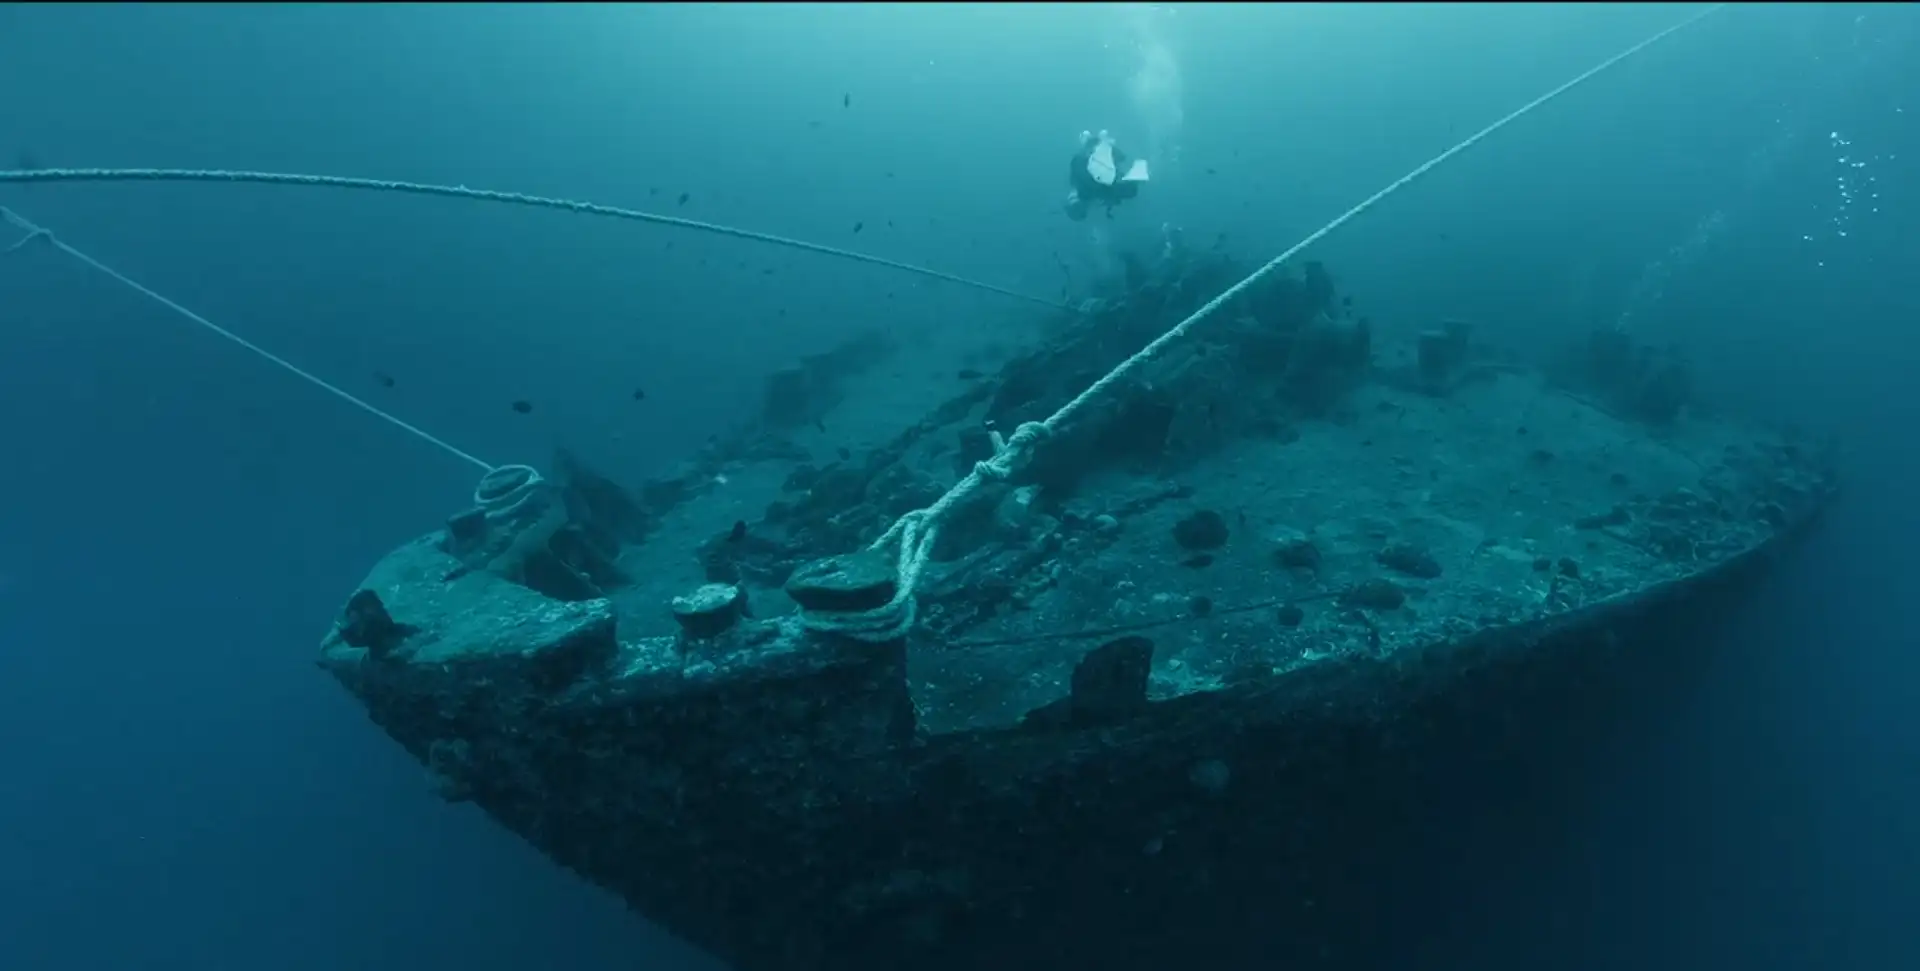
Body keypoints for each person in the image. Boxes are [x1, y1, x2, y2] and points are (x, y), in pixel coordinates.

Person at [1062, 129, 1149, 221]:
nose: (1072, 196)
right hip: (1109, 166)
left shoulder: (1085, 187)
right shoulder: (1089, 189)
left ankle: (1098, 143)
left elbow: (1078, 162)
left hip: (1109, 166)